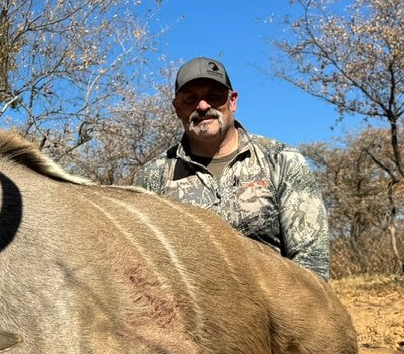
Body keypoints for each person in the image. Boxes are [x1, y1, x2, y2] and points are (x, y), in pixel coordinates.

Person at [135, 57, 331, 278]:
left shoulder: (281, 160)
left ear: (233, 101)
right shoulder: (152, 178)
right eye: (191, 99)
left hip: (276, 306)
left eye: (214, 97)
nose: (203, 106)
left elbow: (312, 263)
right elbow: (143, 268)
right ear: (177, 108)